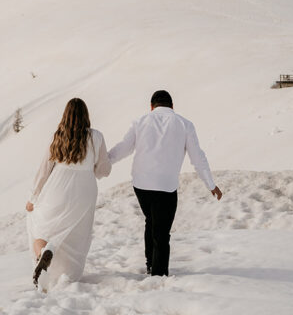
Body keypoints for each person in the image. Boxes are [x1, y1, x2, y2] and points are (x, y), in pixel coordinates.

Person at [108, 89, 222, 277]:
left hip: (141, 185)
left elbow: (122, 148)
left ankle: (150, 264)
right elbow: (197, 157)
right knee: (161, 230)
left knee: (151, 221)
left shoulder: (140, 122)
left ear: (152, 107)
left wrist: (101, 164)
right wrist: (210, 184)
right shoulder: (185, 124)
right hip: (166, 186)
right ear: (172, 106)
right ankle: (158, 274)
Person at [26, 97, 111, 288]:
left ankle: (43, 254)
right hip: (85, 191)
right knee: (75, 234)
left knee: (41, 227)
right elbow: (103, 170)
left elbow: (44, 170)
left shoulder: (58, 136)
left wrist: (33, 198)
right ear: (86, 115)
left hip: (57, 188)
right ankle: (66, 273)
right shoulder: (96, 137)